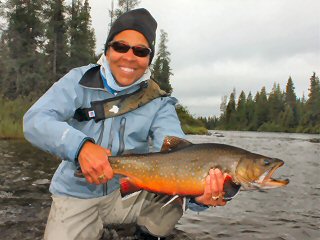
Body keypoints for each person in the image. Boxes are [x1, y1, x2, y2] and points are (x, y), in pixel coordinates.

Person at [23, 8, 228, 240]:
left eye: (140, 51)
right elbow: (35, 120)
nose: (129, 57)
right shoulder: (77, 81)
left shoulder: (159, 102)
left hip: (130, 193)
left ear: (149, 58)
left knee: (175, 195)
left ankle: (145, 235)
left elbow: (179, 152)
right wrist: (80, 147)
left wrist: (198, 195)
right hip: (76, 193)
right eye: (120, 46)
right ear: (107, 50)